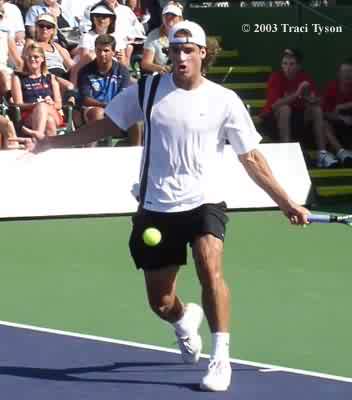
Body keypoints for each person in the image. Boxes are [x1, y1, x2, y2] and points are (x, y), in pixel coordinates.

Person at [25, 20, 310, 392]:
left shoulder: (225, 101)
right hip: (156, 204)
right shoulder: (145, 92)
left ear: (202, 54)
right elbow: (103, 128)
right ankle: (182, 317)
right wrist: (51, 143)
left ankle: (220, 356)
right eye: (174, 50)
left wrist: (286, 201)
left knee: (211, 266)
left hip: (205, 201)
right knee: (160, 301)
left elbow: (251, 157)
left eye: (188, 50)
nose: (180, 56)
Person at [260, 48, 348, 168]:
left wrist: (311, 99)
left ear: (299, 66)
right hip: (272, 122)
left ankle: (322, 153)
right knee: (285, 109)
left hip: (297, 121)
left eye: (292, 64)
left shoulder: (304, 77)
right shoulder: (276, 77)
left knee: (316, 109)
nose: (288, 67)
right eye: (285, 64)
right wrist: (297, 94)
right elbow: (275, 105)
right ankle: (287, 151)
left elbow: (315, 100)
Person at [77, 34, 140, 145]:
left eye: (106, 50)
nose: (102, 54)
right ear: (95, 50)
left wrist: (113, 107)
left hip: (117, 108)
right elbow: (86, 99)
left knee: (134, 119)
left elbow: (123, 96)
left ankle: (137, 154)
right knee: (98, 113)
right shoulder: (85, 71)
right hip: (93, 109)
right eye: (99, 50)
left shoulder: (122, 70)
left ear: (113, 52)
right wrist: (105, 106)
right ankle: (89, 154)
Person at [11, 43, 63, 140]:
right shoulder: (18, 77)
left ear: (42, 59)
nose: (32, 59)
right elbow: (18, 104)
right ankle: (49, 149)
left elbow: (59, 104)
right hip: (28, 114)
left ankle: (37, 134)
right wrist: (35, 105)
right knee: (49, 121)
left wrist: (49, 104)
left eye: (36, 56)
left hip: (52, 111)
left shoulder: (50, 77)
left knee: (43, 106)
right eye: (29, 57)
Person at [322, 58, 352, 166]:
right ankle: (342, 153)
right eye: (344, 72)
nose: (347, 75)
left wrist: (343, 106)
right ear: (339, 74)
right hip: (337, 126)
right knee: (323, 124)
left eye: (350, 72)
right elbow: (325, 113)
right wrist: (341, 118)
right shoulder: (332, 87)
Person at [141, 1, 183, 74]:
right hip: (162, 74)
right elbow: (145, 63)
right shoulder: (153, 35)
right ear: (162, 17)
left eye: (173, 15)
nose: (169, 18)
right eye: (166, 15)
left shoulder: (187, 34)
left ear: (180, 18)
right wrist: (160, 68)